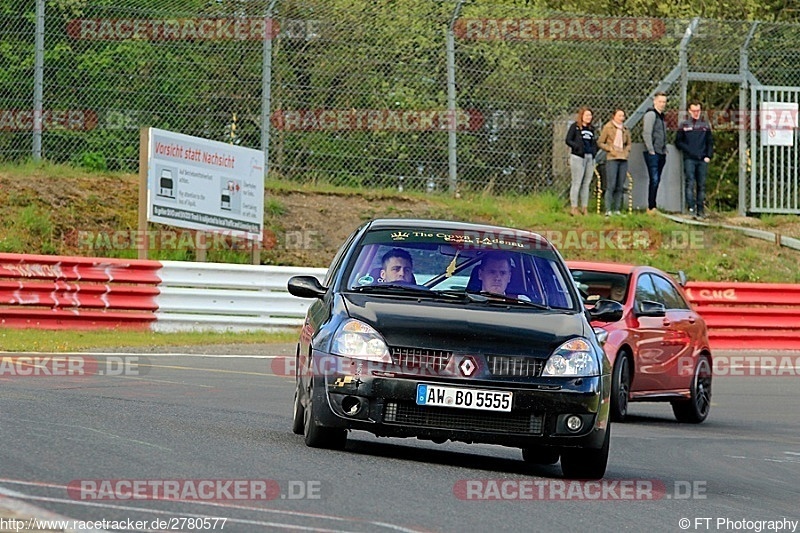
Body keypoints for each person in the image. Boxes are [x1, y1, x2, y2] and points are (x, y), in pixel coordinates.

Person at [676, 101, 713, 219]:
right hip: (689, 159)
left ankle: (700, 210)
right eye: (694, 111)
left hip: (702, 159)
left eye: (698, 111)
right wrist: (689, 151)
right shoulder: (684, 125)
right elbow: (678, 142)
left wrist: (708, 156)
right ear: (689, 111)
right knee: (690, 183)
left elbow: (710, 142)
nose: (696, 113)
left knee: (701, 185)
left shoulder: (705, 125)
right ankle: (691, 208)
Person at [597, 109, 632, 216]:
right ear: (614, 116)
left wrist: (626, 152)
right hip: (612, 158)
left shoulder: (625, 129)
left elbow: (629, 143)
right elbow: (600, 142)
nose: (622, 118)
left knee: (620, 185)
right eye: (620, 116)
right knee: (611, 184)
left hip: (623, 158)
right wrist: (610, 149)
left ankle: (617, 209)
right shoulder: (608, 127)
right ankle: (608, 210)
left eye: (623, 116)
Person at [565, 106, 597, 216]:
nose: (589, 117)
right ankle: (574, 207)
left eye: (590, 115)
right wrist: (577, 147)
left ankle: (584, 207)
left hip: (589, 158)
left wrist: (593, 151)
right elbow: (568, 140)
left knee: (586, 183)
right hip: (578, 157)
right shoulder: (575, 127)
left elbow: (594, 142)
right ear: (582, 116)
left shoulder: (592, 129)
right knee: (577, 182)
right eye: (587, 115)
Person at [642, 92, 668, 214]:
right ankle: (651, 206)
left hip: (661, 152)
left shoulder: (662, 116)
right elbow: (646, 133)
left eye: (664, 102)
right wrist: (651, 150)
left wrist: (664, 149)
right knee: (654, 179)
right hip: (653, 153)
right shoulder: (651, 115)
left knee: (657, 180)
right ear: (655, 101)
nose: (662, 104)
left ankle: (654, 206)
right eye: (660, 101)